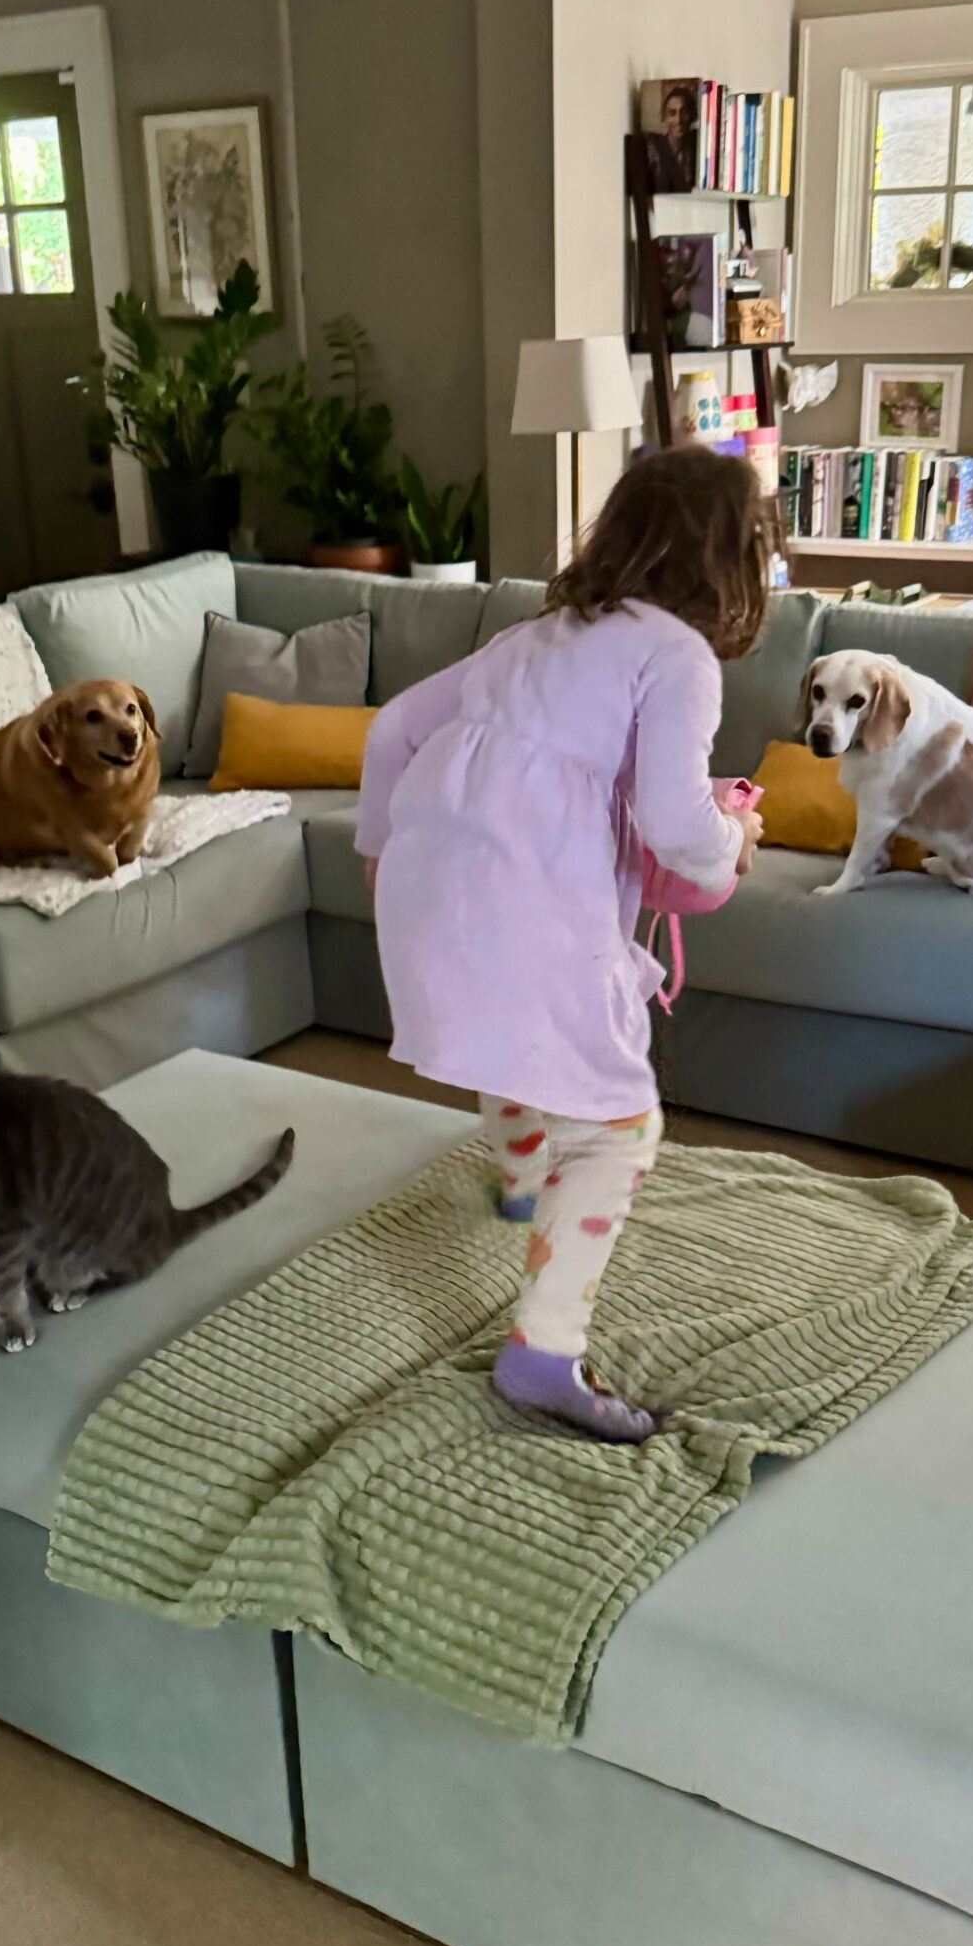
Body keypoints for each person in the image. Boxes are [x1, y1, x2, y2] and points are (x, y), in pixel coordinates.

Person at [355, 446, 770, 1443]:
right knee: (620, 1128)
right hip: (522, 902)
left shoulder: (530, 637)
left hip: (423, 881)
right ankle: (542, 1350)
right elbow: (677, 824)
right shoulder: (678, 656)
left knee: (517, 1042)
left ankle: (521, 1178)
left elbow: (392, 731)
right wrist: (733, 845)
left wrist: (378, 857)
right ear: (732, 560)